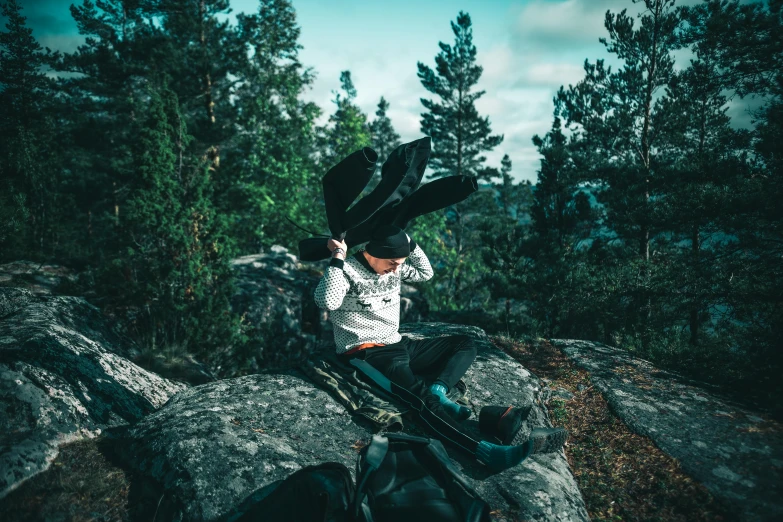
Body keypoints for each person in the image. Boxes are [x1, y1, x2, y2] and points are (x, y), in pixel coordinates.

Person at [314, 224, 567, 472]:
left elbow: (426, 272)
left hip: (398, 343)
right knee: (418, 400)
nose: (397, 269)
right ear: (376, 253)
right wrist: (338, 256)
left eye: (401, 263)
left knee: (464, 344)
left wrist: (407, 240)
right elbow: (326, 300)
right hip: (367, 352)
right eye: (392, 262)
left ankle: (439, 389)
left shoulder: (395, 268)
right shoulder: (347, 270)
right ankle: (486, 452)